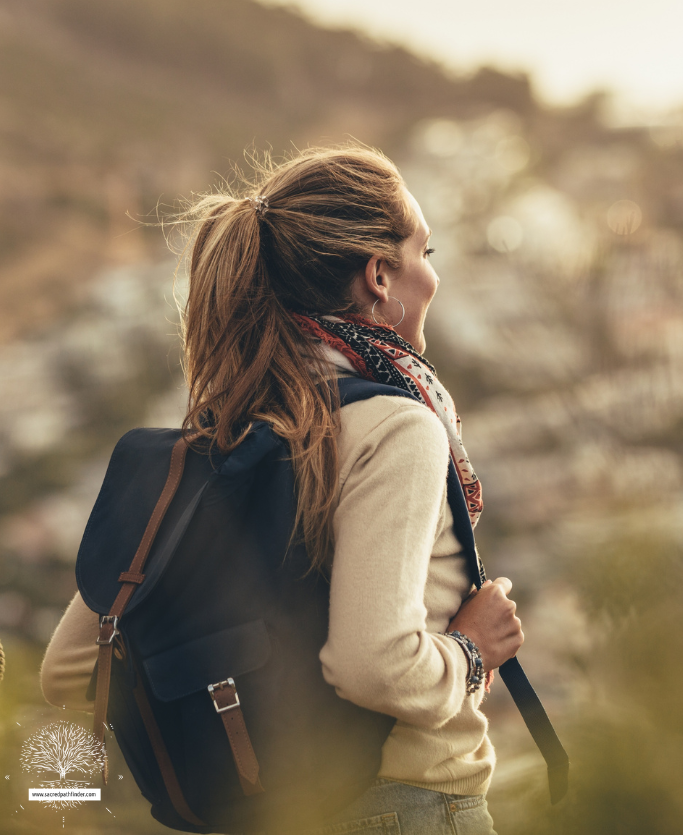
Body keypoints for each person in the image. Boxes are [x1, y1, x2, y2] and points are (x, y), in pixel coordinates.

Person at [41, 147, 523, 835]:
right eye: (424, 250)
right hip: (403, 805)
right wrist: (473, 652)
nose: (433, 274)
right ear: (380, 276)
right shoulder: (396, 426)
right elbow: (371, 668)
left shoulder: (218, 435)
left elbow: (67, 670)